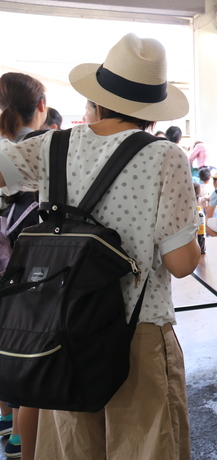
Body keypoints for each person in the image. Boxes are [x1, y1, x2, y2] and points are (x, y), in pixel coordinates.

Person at [0, 33, 200, 459]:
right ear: (152, 107)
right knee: (146, 446)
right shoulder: (166, 156)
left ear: (99, 97)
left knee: (74, 447)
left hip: (64, 328)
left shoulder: (52, 144)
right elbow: (181, 263)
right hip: (138, 330)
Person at [0, 71, 48, 460]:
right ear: (41, 107)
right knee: (37, 367)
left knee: (11, 349)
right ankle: (21, 444)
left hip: (9, 268)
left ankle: (9, 424)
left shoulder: (6, 151)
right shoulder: (41, 148)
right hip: (32, 273)